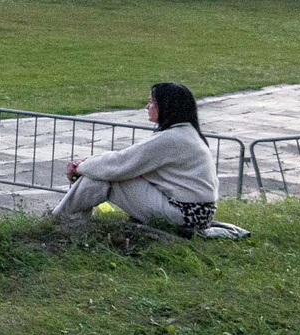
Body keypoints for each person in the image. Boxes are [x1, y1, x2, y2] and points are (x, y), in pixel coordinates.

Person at [56, 83, 220, 233]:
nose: (147, 106)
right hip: (197, 214)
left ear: (166, 106)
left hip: (185, 215)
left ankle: (59, 220)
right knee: (103, 172)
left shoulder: (170, 139)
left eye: (152, 102)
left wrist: (80, 167)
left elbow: (120, 164)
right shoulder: (187, 134)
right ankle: (67, 219)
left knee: (104, 178)